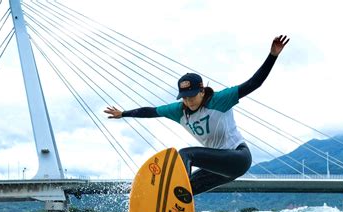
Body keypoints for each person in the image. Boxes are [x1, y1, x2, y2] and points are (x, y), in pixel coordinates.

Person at [105, 35, 289, 195]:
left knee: (185, 154)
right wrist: (123, 113)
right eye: (184, 97)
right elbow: (151, 111)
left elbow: (253, 83)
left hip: (238, 158)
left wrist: (272, 56)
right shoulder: (179, 111)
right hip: (218, 168)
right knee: (184, 190)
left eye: (192, 96)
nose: (188, 101)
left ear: (202, 91)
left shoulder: (220, 100)